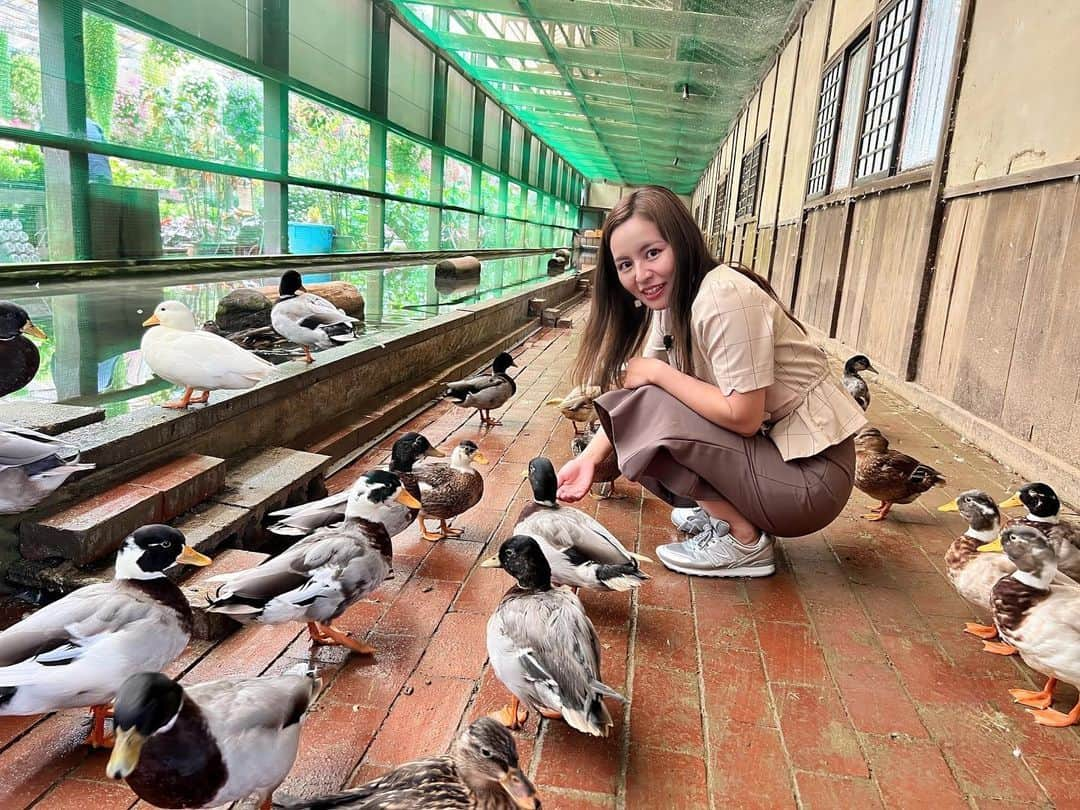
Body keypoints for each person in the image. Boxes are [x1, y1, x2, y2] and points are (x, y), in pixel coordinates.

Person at [556, 186, 866, 578]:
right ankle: (725, 518)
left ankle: (744, 541)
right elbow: (631, 399)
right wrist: (588, 459)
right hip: (779, 463)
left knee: (655, 405)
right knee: (641, 411)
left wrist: (658, 374)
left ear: (682, 242)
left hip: (811, 482)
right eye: (625, 265)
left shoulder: (723, 297)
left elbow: (743, 416)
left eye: (652, 253)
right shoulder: (672, 304)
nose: (641, 274)